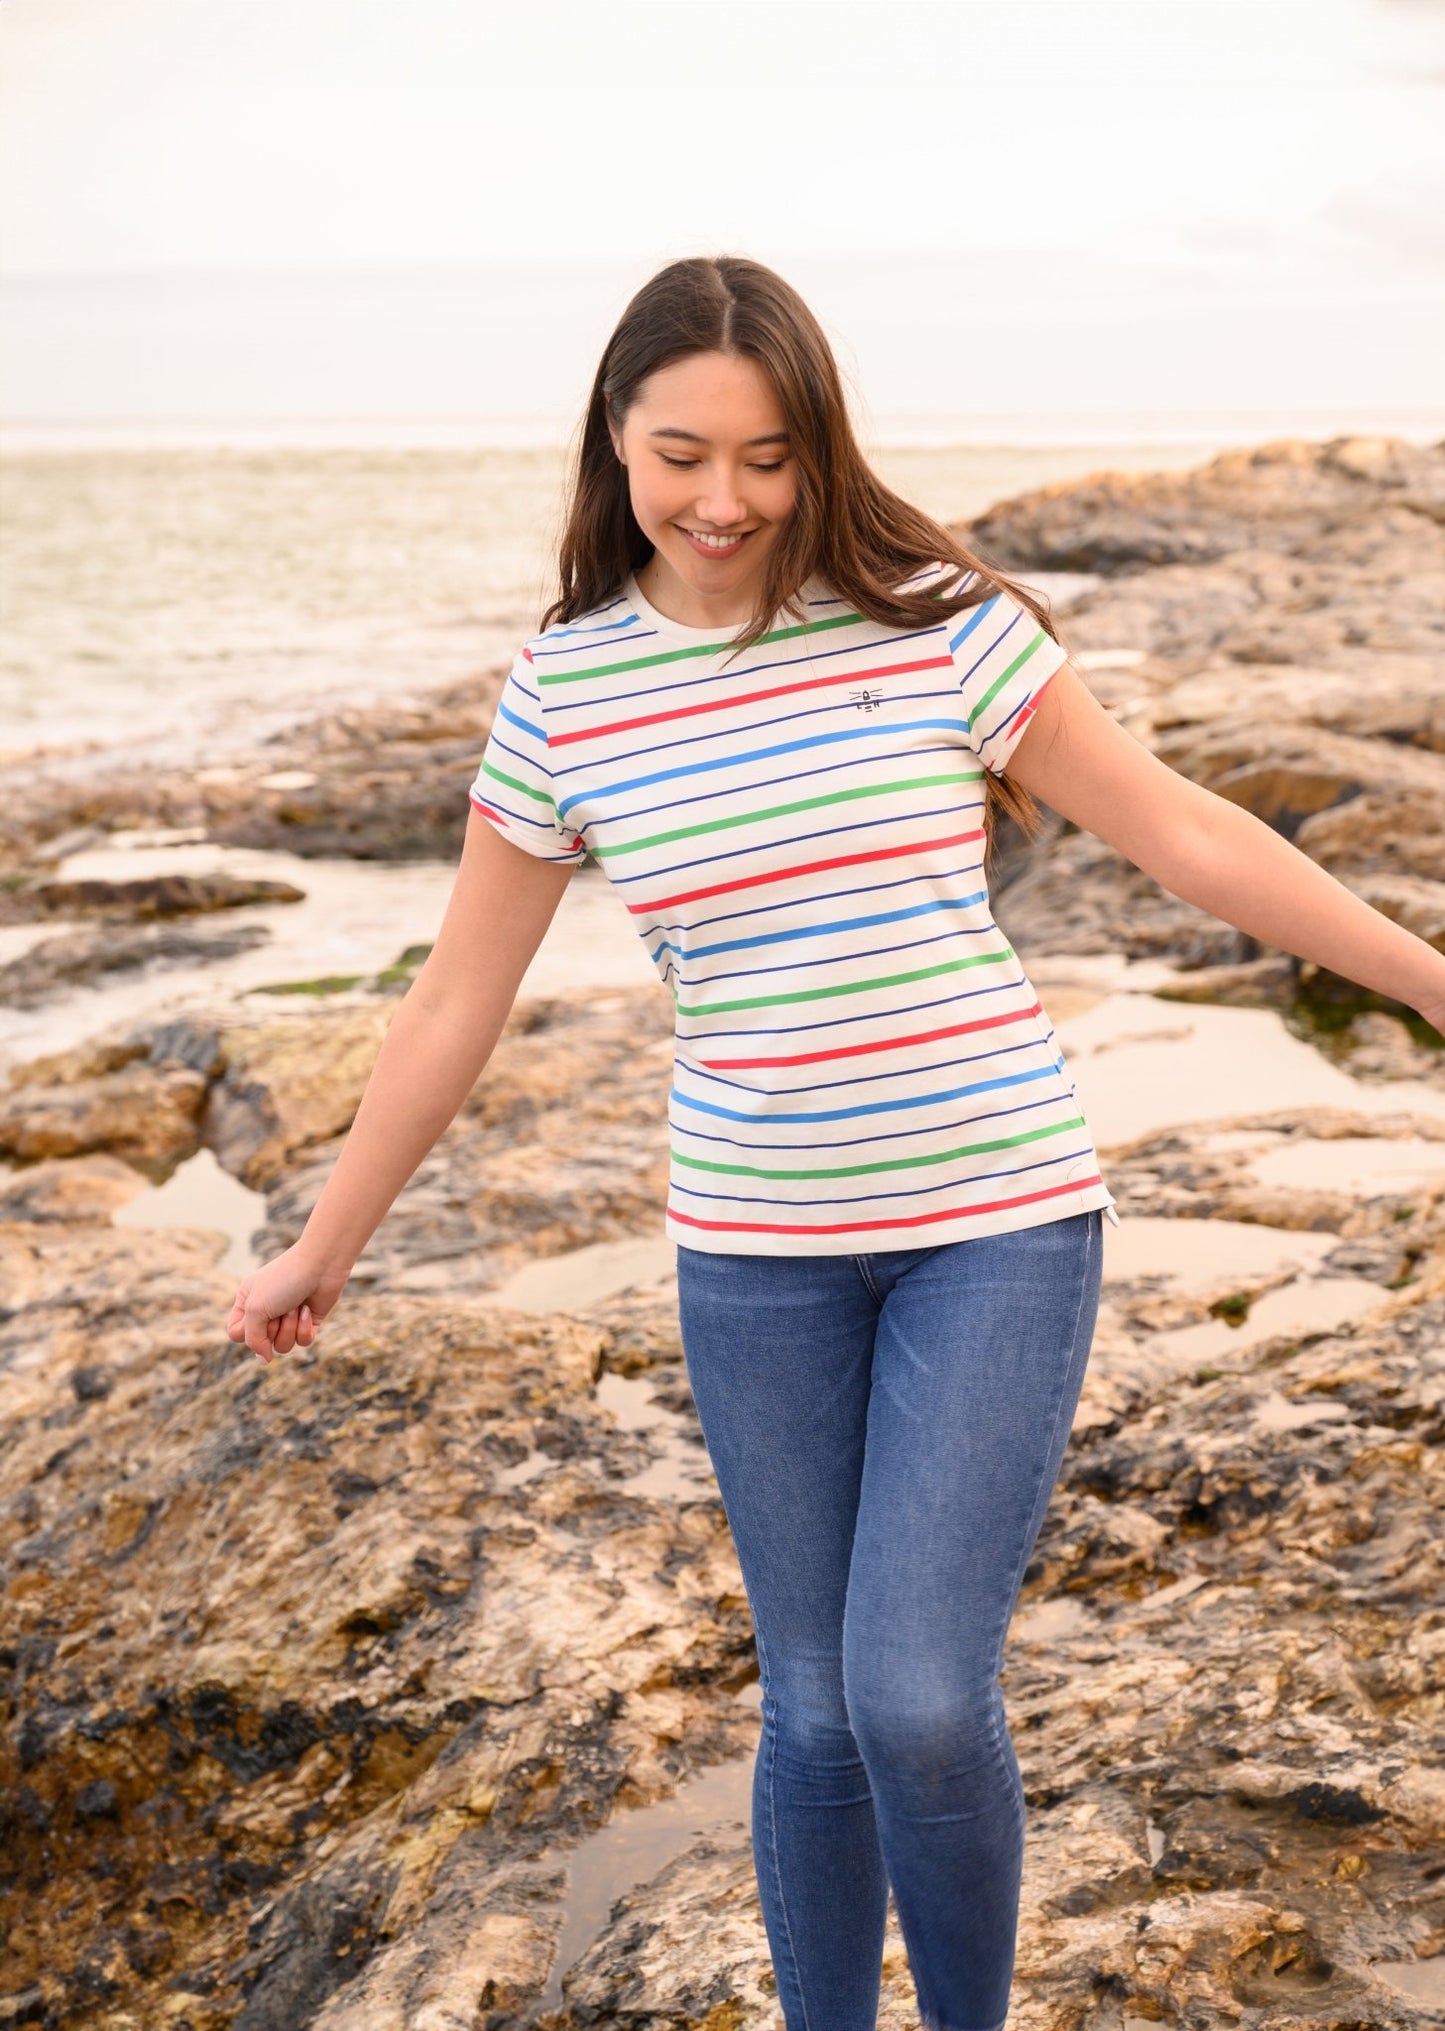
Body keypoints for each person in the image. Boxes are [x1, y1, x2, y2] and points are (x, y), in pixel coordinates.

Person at [226, 255, 1445, 2031]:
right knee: (807, 1708)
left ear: (822, 452)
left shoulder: (938, 621)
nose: (724, 499)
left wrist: (1428, 980)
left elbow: (1181, 833)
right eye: (681, 454)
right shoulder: (567, 689)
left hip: (996, 1218)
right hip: (755, 1251)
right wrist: (325, 1240)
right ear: (613, 448)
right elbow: (449, 1003)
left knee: (920, 1699)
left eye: (770, 456)